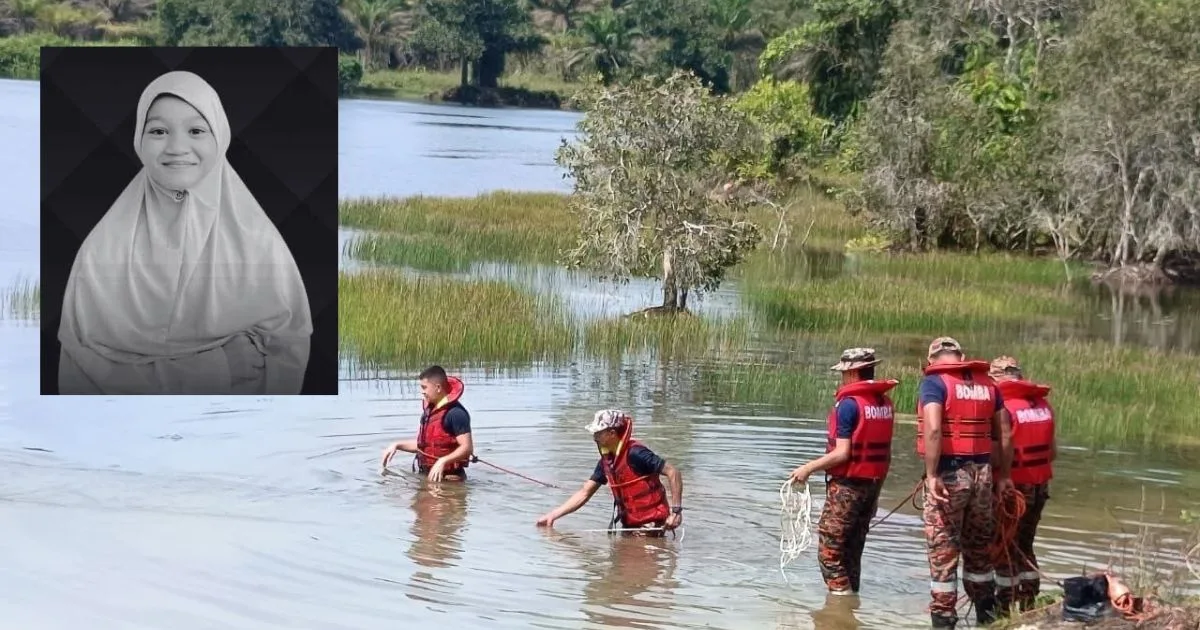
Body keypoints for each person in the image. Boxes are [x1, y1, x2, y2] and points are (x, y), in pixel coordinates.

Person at [56, 70, 312, 395]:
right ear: (139, 139)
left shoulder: (261, 247)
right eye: (159, 131)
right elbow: (80, 370)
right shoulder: (101, 252)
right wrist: (219, 367)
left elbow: (287, 349)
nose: (177, 147)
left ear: (219, 137)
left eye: (196, 130)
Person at [917, 337, 1014, 629]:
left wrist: (932, 474)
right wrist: (1005, 475)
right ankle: (987, 616)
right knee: (978, 548)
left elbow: (933, 429)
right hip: (983, 475)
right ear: (961, 357)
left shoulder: (934, 383)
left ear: (932, 359)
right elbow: (1005, 433)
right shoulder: (989, 385)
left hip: (949, 476)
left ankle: (944, 619)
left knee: (943, 551)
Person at [790, 347, 898, 596]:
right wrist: (876, 492)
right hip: (872, 486)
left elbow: (842, 453)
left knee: (829, 552)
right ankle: (852, 601)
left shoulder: (849, 405)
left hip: (848, 486)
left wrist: (807, 469)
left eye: (843, 374)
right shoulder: (884, 403)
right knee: (852, 550)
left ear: (852, 374)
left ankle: (841, 610)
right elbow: (886, 454)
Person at [535, 410, 683, 536]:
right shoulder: (607, 462)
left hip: (652, 526)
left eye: (598, 433)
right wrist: (552, 516)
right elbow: (584, 493)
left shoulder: (636, 454)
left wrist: (676, 512)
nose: (595, 438)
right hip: (630, 528)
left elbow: (673, 472)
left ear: (612, 433)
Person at [989, 355, 1056, 615]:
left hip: (1013, 490)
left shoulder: (1003, 406)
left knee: (1004, 547)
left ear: (996, 378)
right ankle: (1029, 604)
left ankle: (1004, 609)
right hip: (1040, 485)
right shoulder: (1042, 405)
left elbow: (999, 452)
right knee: (1026, 545)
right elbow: (1053, 452)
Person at [380, 366, 474, 482]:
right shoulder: (429, 412)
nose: (422, 392)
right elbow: (424, 446)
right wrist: (397, 445)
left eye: (424, 387)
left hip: (450, 480)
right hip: (427, 476)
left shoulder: (456, 414)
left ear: (438, 388)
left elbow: (467, 448)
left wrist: (443, 461)